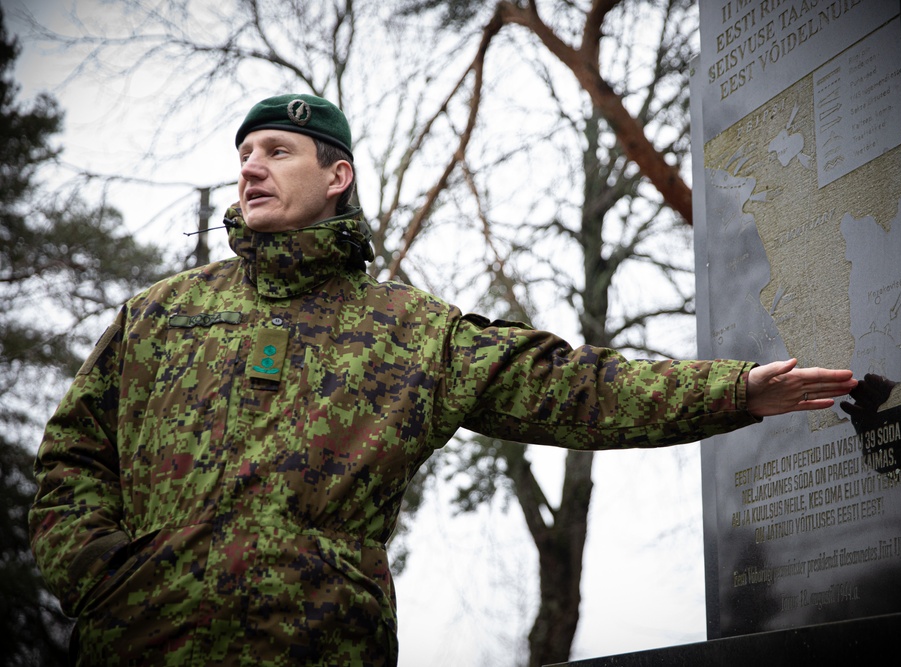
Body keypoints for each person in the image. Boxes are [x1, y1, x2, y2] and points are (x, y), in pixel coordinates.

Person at [30, 94, 857, 666]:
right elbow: (70, 457)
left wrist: (735, 390)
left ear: (337, 175)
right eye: (243, 154)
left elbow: (569, 386)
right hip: (136, 647)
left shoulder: (409, 331)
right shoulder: (160, 314)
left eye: (277, 151)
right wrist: (105, 578)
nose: (251, 168)